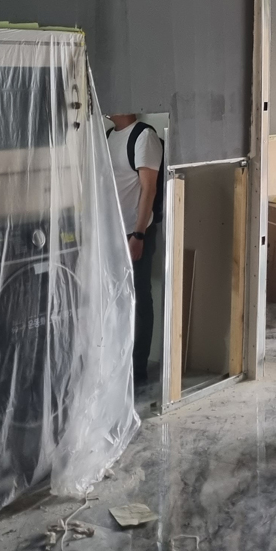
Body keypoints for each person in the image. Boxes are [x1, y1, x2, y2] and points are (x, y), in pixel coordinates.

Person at [107, 113, 164, 385]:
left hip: (134, 232)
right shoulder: (109, 136)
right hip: (113, 232)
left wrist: (139, 235)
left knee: (139, 297)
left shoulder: (143, 136)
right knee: (116, 297)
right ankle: (117, 363)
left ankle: (137, 368)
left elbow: (148, 189)